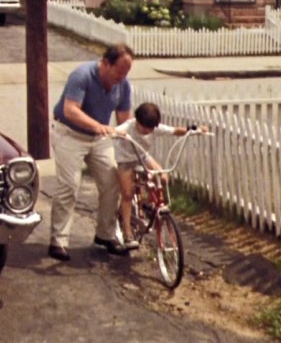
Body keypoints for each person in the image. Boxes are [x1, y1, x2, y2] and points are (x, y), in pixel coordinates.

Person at [48, 44, 134, 261]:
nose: (121, 78)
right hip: (70, 133)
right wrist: (97, 126)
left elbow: (124, 119)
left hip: (99, 138)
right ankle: (58, 240)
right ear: (105, 63)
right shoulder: (82, 75)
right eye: (118, 72)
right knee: (69, 185)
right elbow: (71, 110)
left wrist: (129, 143)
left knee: (111, 182)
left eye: (126, 73)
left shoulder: (123, 85)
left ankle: (105, 235)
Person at [113, 102, 206, 249]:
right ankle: (128, 232)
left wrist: (194, 131)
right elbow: (113, 131)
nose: (148, 132)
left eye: (152, 128)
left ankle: (151, 204)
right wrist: (115, 133)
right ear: (137, 121)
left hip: (142, 157)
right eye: (145, 128)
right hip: (125, 161)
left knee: (161, 176)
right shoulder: (128, 127)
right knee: (127, 194)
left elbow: (174, 130)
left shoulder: (154, 128)